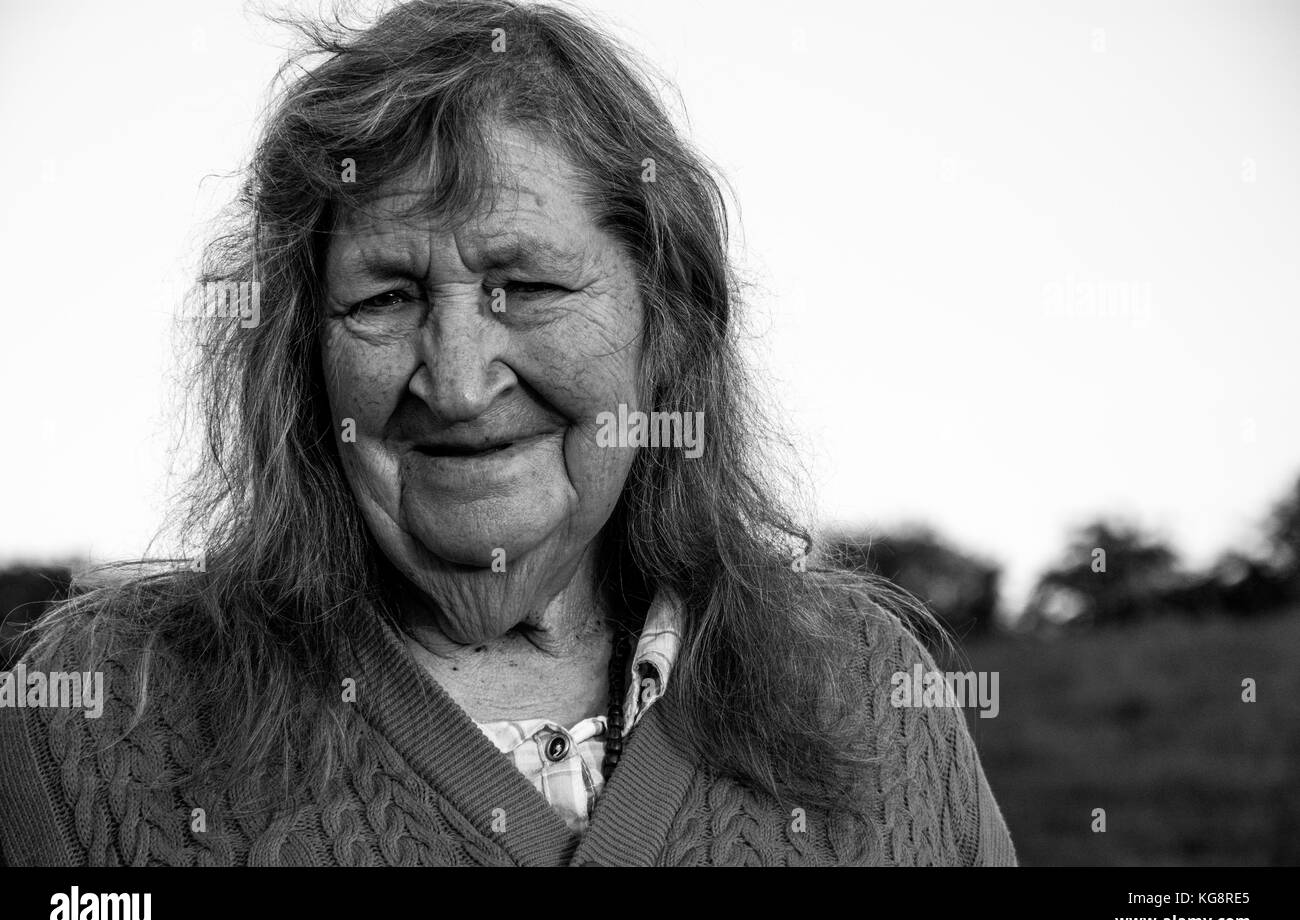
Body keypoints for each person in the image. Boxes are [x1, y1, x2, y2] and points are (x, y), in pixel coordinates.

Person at [0, 0, 1015, 866]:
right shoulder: (95, 732)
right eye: (385, 297)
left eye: (523, 286)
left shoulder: (871, 701)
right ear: (300, 355)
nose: (454, 380)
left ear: (664, 326)